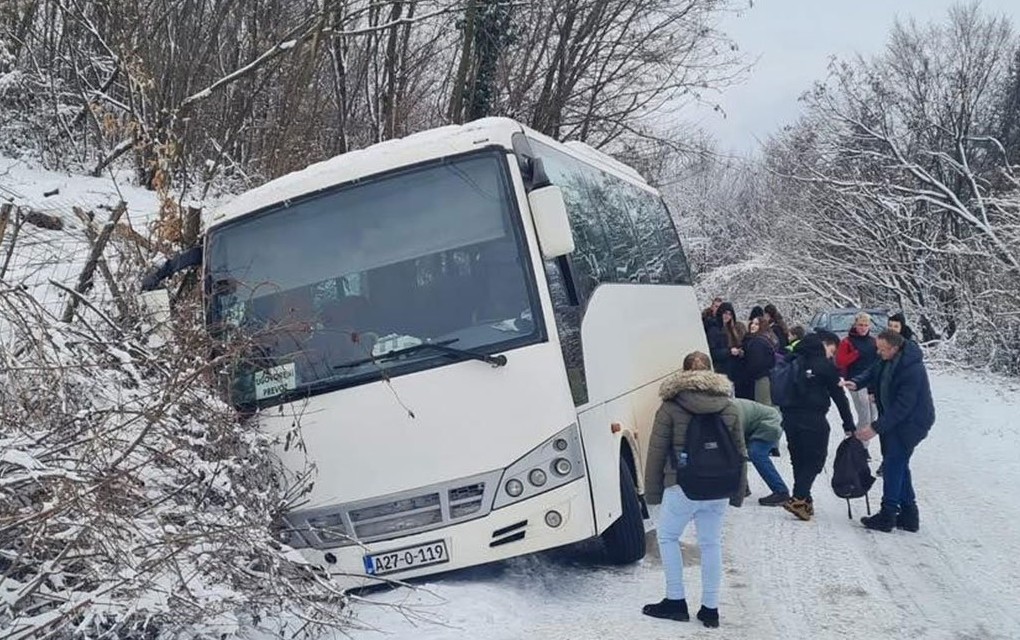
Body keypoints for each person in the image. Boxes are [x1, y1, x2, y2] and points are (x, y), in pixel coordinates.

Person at [643, 351, 747, 629]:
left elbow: (656, 452)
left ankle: (675, 601)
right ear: (712, 374)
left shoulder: (670, 406)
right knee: (711, 544)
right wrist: (737, 491)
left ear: (684, 373)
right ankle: (710, 609)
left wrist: (652, 492)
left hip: (682, 485)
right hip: (719, 487)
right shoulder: (729, 406)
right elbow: (740, 452)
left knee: (667, 537)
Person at [844, 330, 935, 532]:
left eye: (882, 349)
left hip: (912, 422)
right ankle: (909, 514)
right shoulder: (888, 358)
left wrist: (875, 427)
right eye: (878, 348)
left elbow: (904, 406)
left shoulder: (912, 369)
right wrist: (857, 382)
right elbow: (873, 371)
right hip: (895, 420)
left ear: (895, 348)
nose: (879, 352)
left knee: (893, 463)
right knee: (899, 464)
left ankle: (888, 514)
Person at [780, 331, 857, 521]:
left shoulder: (792, 358)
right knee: (815, 460)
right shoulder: (825, 366)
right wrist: (849, 425)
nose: (832, 355)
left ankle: (804, 501)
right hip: (813, 418)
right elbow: (840, 398)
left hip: (789, 417)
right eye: (832, 350)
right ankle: (798, 498)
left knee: (798, 459)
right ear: (825, 344)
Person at [835, 312, 880, 447]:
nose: (863, 328)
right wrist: (854, 355)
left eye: (866, 325)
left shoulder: (873, 341)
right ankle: (861, 447)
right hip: (854, 382)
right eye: (860, 325)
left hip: (871, 382)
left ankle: (853, 439)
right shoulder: (847, 341)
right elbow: (840, 361)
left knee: (873, 416)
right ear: (855, 325)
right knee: (864, 414)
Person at [736, 316, 775, 404]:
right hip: (763, 377)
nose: (752, 326)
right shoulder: (765, 339)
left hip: (758, 378)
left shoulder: (758, 342)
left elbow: (755, 362)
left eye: (757, 324)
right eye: (752, 323)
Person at [707, 302, 746, 381]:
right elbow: (712, 352)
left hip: (734, 369)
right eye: (725, 313)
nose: (727, 316)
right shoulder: (714, 329)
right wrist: (729, 352)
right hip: (721, 370)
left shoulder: (734, 330)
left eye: (730, 314)